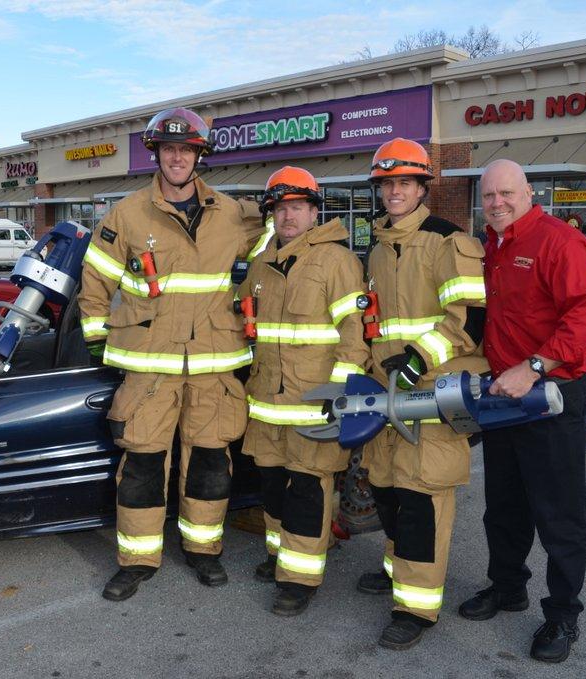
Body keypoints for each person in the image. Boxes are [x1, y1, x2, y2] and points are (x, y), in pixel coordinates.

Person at [77, 107, 271, 601]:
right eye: (169, 149)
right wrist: (100, 340)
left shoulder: (234, 213)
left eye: (187, 149)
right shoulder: (125, 214)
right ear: (157, 154)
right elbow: (95, 279)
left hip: (214, 364)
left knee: (210, 463)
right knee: (142, 465)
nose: (178, 157)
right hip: (149, 368)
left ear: (199, 155)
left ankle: (203, 552)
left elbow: (280, 245)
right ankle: (137, 561)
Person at [457, 158, 586, 663]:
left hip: (552, 395)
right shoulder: (491, 247)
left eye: (506, 194)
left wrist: (534, 366)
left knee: (558, 512)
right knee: (504, 503)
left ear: (527, 193)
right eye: (490, 196)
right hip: (503, 396)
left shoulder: (558, 241)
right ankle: (507, 587)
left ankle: (563, 615)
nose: (497, 203)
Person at [359, 138, 488, 649]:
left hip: (430, 392)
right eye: (387, 183)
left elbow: (469, 318)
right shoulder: (376, 245)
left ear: (421, 187)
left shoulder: (448, 241)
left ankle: (416, 608)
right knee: (388, 489)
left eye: (404, 183)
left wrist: (416, 359)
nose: (395, 191)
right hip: (387, 391)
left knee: (421, 499)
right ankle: (397, 572)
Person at [239, 166, 368, 616]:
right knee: (272, 487)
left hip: (315, 403)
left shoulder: (337, 261)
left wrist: (341, 395)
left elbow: (354, 335)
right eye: (280, 208)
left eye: (297, 207)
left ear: (315, 212)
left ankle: (299, 579)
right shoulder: (261, 262)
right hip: (267, 402)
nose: (288, 216)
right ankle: (279, 554)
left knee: (308, 491)